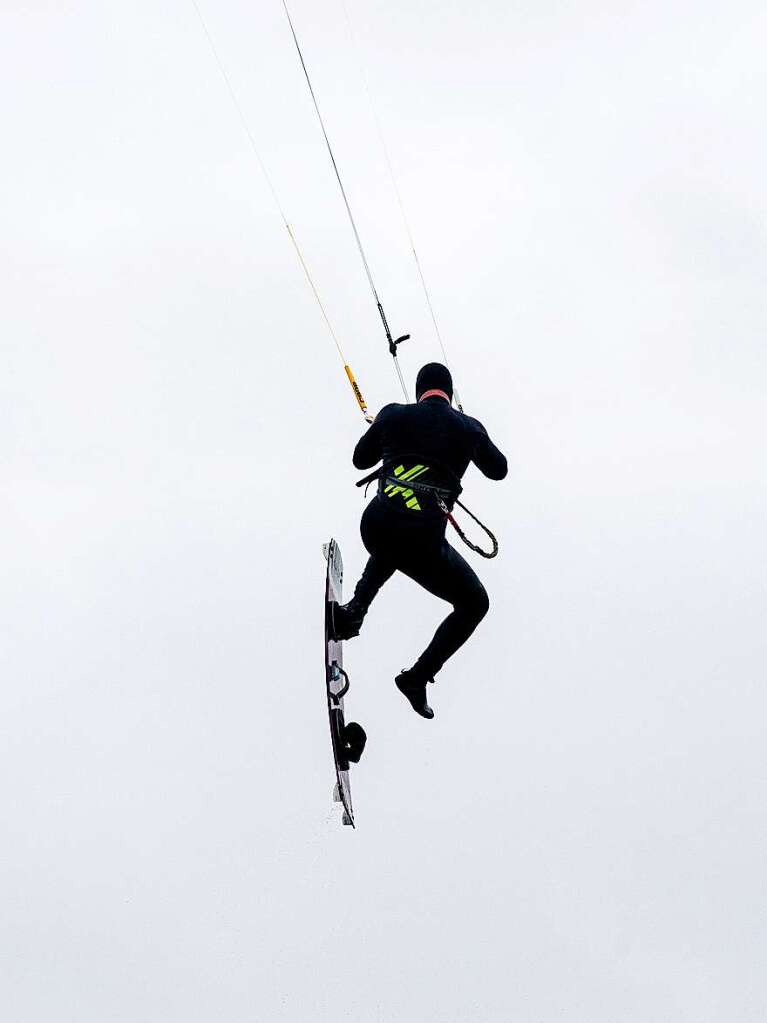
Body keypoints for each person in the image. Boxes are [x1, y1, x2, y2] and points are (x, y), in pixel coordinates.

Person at [331, 362, 508, 719]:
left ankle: (353, 614)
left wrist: (385, 431)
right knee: (475, 603)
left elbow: (359, 459)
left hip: (377, 525)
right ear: (450, 393)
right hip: (423, 541)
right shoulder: (468, 428)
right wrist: (468, 434)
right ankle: (418, 677)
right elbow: (498, 469)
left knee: (396, 532)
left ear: (418, 391)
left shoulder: (394, 414)